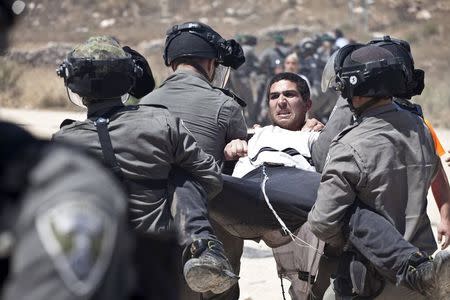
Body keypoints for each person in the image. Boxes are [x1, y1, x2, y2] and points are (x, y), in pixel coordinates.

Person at [52, 36, 238, 295]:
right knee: (182, 171)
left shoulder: (64, 142)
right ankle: (202, 246)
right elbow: (209, 176)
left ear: (74, 84)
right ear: (129, 78)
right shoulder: (161, 122)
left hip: (99, 267)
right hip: (161, 262)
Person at [308, 43, 450, 299]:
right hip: (423, 272)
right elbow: (433, 175)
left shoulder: (349, 144)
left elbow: (322, 222)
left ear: (356, 88)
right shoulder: (420, 129)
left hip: (370, 278)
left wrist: (350, 236)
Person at [140, 21, 247, 300]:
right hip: (211, 232)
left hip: (154, 229)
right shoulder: (225, 105)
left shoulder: (144, 104)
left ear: (171, 62)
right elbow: (236, 167)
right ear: (211, 63)